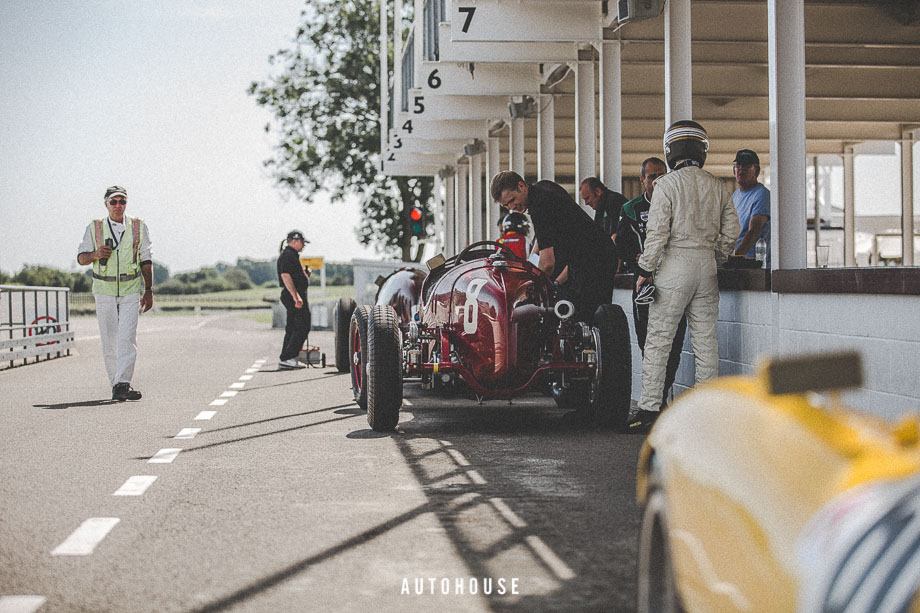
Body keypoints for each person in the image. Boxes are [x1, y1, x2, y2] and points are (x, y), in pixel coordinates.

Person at [631, 121, 740, 430]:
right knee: (706, 342)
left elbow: (657, 234)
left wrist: (644, 269)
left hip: (674, 267)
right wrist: (716, 255)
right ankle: (705, 414)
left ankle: (650, 410)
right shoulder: (717, 185)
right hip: (707, 268)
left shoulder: (665, 184)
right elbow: (732, 230)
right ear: (702, 150)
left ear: (670, 151)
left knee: (659, 341)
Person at [490, 172, 617, 323]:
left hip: (594, 259)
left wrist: (527, 291)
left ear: (521, 186)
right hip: (595, 253)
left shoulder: (539, 206)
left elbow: (548, 263)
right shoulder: (544, 186)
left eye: (512, 200)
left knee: (587, 317)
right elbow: (543, 237)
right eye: (506, 205)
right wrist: (531, 261)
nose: (512, 207)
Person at [616, 157, 687, 409]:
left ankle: (660, 398)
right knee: (649, 342)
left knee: (675, 341)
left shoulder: (679, 203)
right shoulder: (631, 209)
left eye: (661, 175)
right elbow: (621, 243)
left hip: (676, 280)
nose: (657, 180)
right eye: (651, 176)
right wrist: (637, 258)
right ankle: (653, 402)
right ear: (642, 179)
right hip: (645, 282)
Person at [77, 185, 153, 401]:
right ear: (106, 204)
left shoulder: (138, 226)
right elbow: (81, 258)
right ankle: (116, 384)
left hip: (130, 290)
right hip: (104, 290)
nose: (118, 205)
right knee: (110, 339)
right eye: (114, 202)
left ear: (126, 203)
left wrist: (148, 290)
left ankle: (123, 383)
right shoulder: (95, 227)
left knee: (127, 338)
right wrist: (95, 254)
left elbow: (146, 260)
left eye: (122, 201)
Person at [277, 230, 312, 370]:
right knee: (302, 326)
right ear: (295, 241)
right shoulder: (288, 256)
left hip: (294, 294)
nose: (303, 246)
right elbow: (286, 276)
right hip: (294, 295)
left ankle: (287, 357)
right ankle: (289, 357)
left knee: (292, 327)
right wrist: (295, 296)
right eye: (302, 242)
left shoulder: (291, 256)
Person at [731, 149, 771, 266]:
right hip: (738, 264)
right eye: (738, 166)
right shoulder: (735, 196)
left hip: (753, 266)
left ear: (757, 171)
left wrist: (735, 259)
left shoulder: (762, 195)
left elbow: (754, 231)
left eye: (747, 166)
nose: (741, 169)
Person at [579, 177, 627, 244]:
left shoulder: (614, 201)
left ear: (598, 192)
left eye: (587, 198)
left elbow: (614, 236)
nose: (586, 203)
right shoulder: (600, 207)